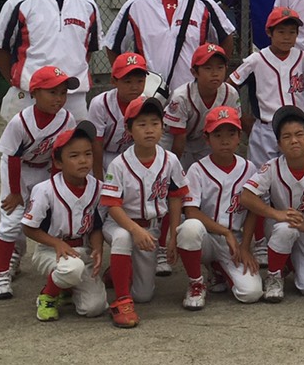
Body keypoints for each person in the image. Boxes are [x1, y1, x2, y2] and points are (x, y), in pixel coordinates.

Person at [100, 95, 190, 328]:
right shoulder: (119, 164)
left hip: (151, 229)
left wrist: (172, 236)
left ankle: (117, 272)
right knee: (122, 238)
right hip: (120, 224)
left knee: (144, 295)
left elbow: (176, 197)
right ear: (129, 130)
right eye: (141, 124)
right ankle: (121, 301)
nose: (149, 129)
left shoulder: (170, 160)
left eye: (154, 123)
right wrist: (134, 230)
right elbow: (112, 205)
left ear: (162, 127)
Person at [104, 0, 234, 99]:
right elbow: (113, 46)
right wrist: (128, 81)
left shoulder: (204, 4)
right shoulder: (136, 5)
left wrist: (214, 74)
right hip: (149, 97)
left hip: (193, 96)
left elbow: (226, 38)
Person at [0, 65, 77, 299]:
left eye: (63, 93)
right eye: (52, 92)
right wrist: (15, 192)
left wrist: (55, 188)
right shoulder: (20, 121)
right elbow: (13, 157)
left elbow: (59, 155)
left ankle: (59, 272)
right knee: (12, 219)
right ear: (35, 93)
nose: (59, 98)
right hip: (17, 169)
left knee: (48, 217)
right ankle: (1, 273)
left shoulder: (67, 119)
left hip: (45, 169)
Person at [240, 106, 304, 302]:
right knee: (286, 228)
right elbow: (246, 197)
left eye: (299, 134)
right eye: (286, 137)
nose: (294, 140)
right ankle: (274, 276)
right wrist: (276, 214)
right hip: (277, 227)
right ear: (279, 144)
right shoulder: (272, 167)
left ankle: (288, 262)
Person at [170, 105, 263, 310]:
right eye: (218, 135)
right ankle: (196, 282)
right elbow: (191, 211)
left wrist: (245, 247)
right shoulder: (197, 169)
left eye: (231, 134)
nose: (225, 140)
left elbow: (253, 211)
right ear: (207, 139)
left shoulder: (249, 168)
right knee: (189, 228)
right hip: (206, 237)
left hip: (235, 241)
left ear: (239, 137)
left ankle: (219, 269)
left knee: (251, 293)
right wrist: (224, 232)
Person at [21, 122, 109, 322]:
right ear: (59, 162)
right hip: (50, 250)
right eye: (74, 156)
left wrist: (97, 248)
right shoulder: (45, 190)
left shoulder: (98, 188)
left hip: (82, 250)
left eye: (88, 154)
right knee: (72, 269)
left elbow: (96, 225)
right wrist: (57, 243)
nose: (83, 160)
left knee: (94, 308)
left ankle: (66, 287)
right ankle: (48, 295)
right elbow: (28, 228)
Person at [227, 6, 304, 170]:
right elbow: (228, 87)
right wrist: (240, 116)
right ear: (269, 32)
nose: (286, 37)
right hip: (266, 128)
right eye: (281, 32)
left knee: (296, 173)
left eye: (292, 32)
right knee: (262, 175)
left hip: (297, 126)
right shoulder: (256, 60)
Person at [164, 43, 238, 171]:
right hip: (174, 141)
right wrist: (173, 169)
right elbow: (179, 136)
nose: (215, 73)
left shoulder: (230, 93)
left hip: (204, 142)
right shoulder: (181, 96)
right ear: (194, 72)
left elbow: (232, 131)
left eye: (220, 67)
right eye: (208, 68)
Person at [88, 52, 149, 178]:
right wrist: (98, 178)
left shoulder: (146, 103)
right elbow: (96, 144)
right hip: (104, 155)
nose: (134, 87)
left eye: (140, 81)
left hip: (132, 154)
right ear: (113, 81)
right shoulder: (100, 103)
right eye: (128, 81)